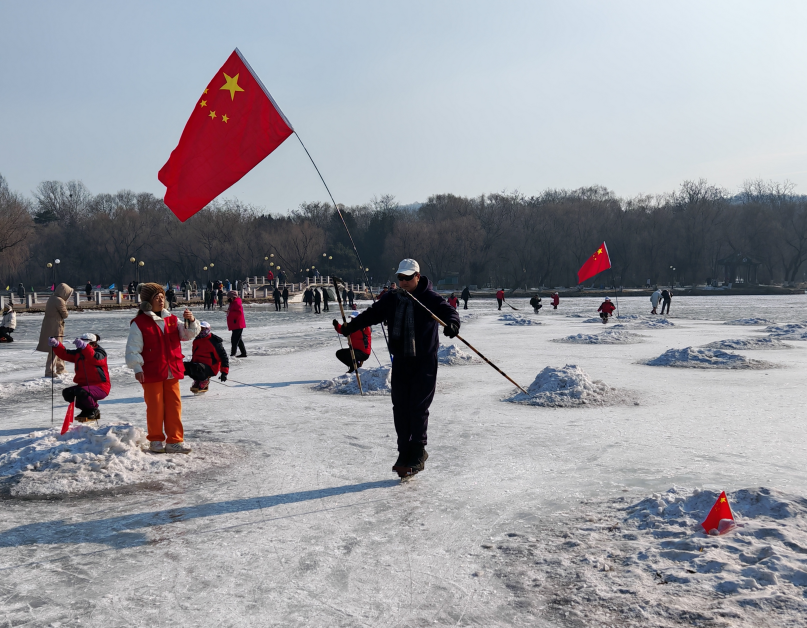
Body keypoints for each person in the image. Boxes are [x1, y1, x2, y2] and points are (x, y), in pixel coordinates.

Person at [337, 259, 460, 478]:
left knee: (418, 407)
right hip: (401, 360)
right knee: (400, 407)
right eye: (400, 278)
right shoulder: (392, 299)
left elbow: (448, 312)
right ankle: (403, 452)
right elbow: (372, 314)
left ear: (417, 277)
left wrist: (452, 324)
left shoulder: (429, 298)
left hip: (424, 361)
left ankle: (418, 451)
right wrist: (350, 327)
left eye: (407, 277)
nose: (403, 282)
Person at [125, 283, 199, 453]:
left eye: (162, 297)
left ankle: (174, 441)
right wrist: (137, 368)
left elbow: (187, 334)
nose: (160, 300)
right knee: (155, 407)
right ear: (147, 302)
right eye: (156, 297)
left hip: (172, 370)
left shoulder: (171, 319)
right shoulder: (139, 323)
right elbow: (133, 348)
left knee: (174, 406)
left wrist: (191, 321)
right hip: (151, 372)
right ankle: (156, 439)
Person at [49, 332, 110, 422]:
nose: (82, 346)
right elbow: (65, 354)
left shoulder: (100, 353)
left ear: (93, 344)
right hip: (84, 386)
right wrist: (57, 345)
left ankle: (93, 410)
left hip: (101, 387)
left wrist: (85, 347)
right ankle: (86, 409)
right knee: (68, 393)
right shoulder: (79, 353)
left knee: (81, 392)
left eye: (85, 344)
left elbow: (94, 358)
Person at [37, 283, 73, 377]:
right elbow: (65, 315)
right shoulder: (59, 301)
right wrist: (65, 305)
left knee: (58, 347)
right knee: (55, 349)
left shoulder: (51, 298)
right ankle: (49, 371)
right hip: (56, 327)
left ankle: (61, 368)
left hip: (49, 326)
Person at [184, 321, 229, 393]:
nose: (200, 331)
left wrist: (224, 373)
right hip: (198, 365)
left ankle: (204, 380)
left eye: (202, 329)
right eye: (199, 329)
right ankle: (198, 379)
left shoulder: (214, 341)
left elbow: (223, 356)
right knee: (183, 366)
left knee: (196, 367)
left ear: (207, 329)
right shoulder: (197, 340)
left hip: (211, 367)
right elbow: (195, 355)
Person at [226, 290, 247, 357]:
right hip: (235, 324)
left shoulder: (237, 303)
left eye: (229, 297)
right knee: (238, 339)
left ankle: (233, 354)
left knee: (234, 339)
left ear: (233, 297)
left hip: (238, 324)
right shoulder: (232, 303)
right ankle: (243, 353)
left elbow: (239, 313)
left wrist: (230, 313)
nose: (228, 298)